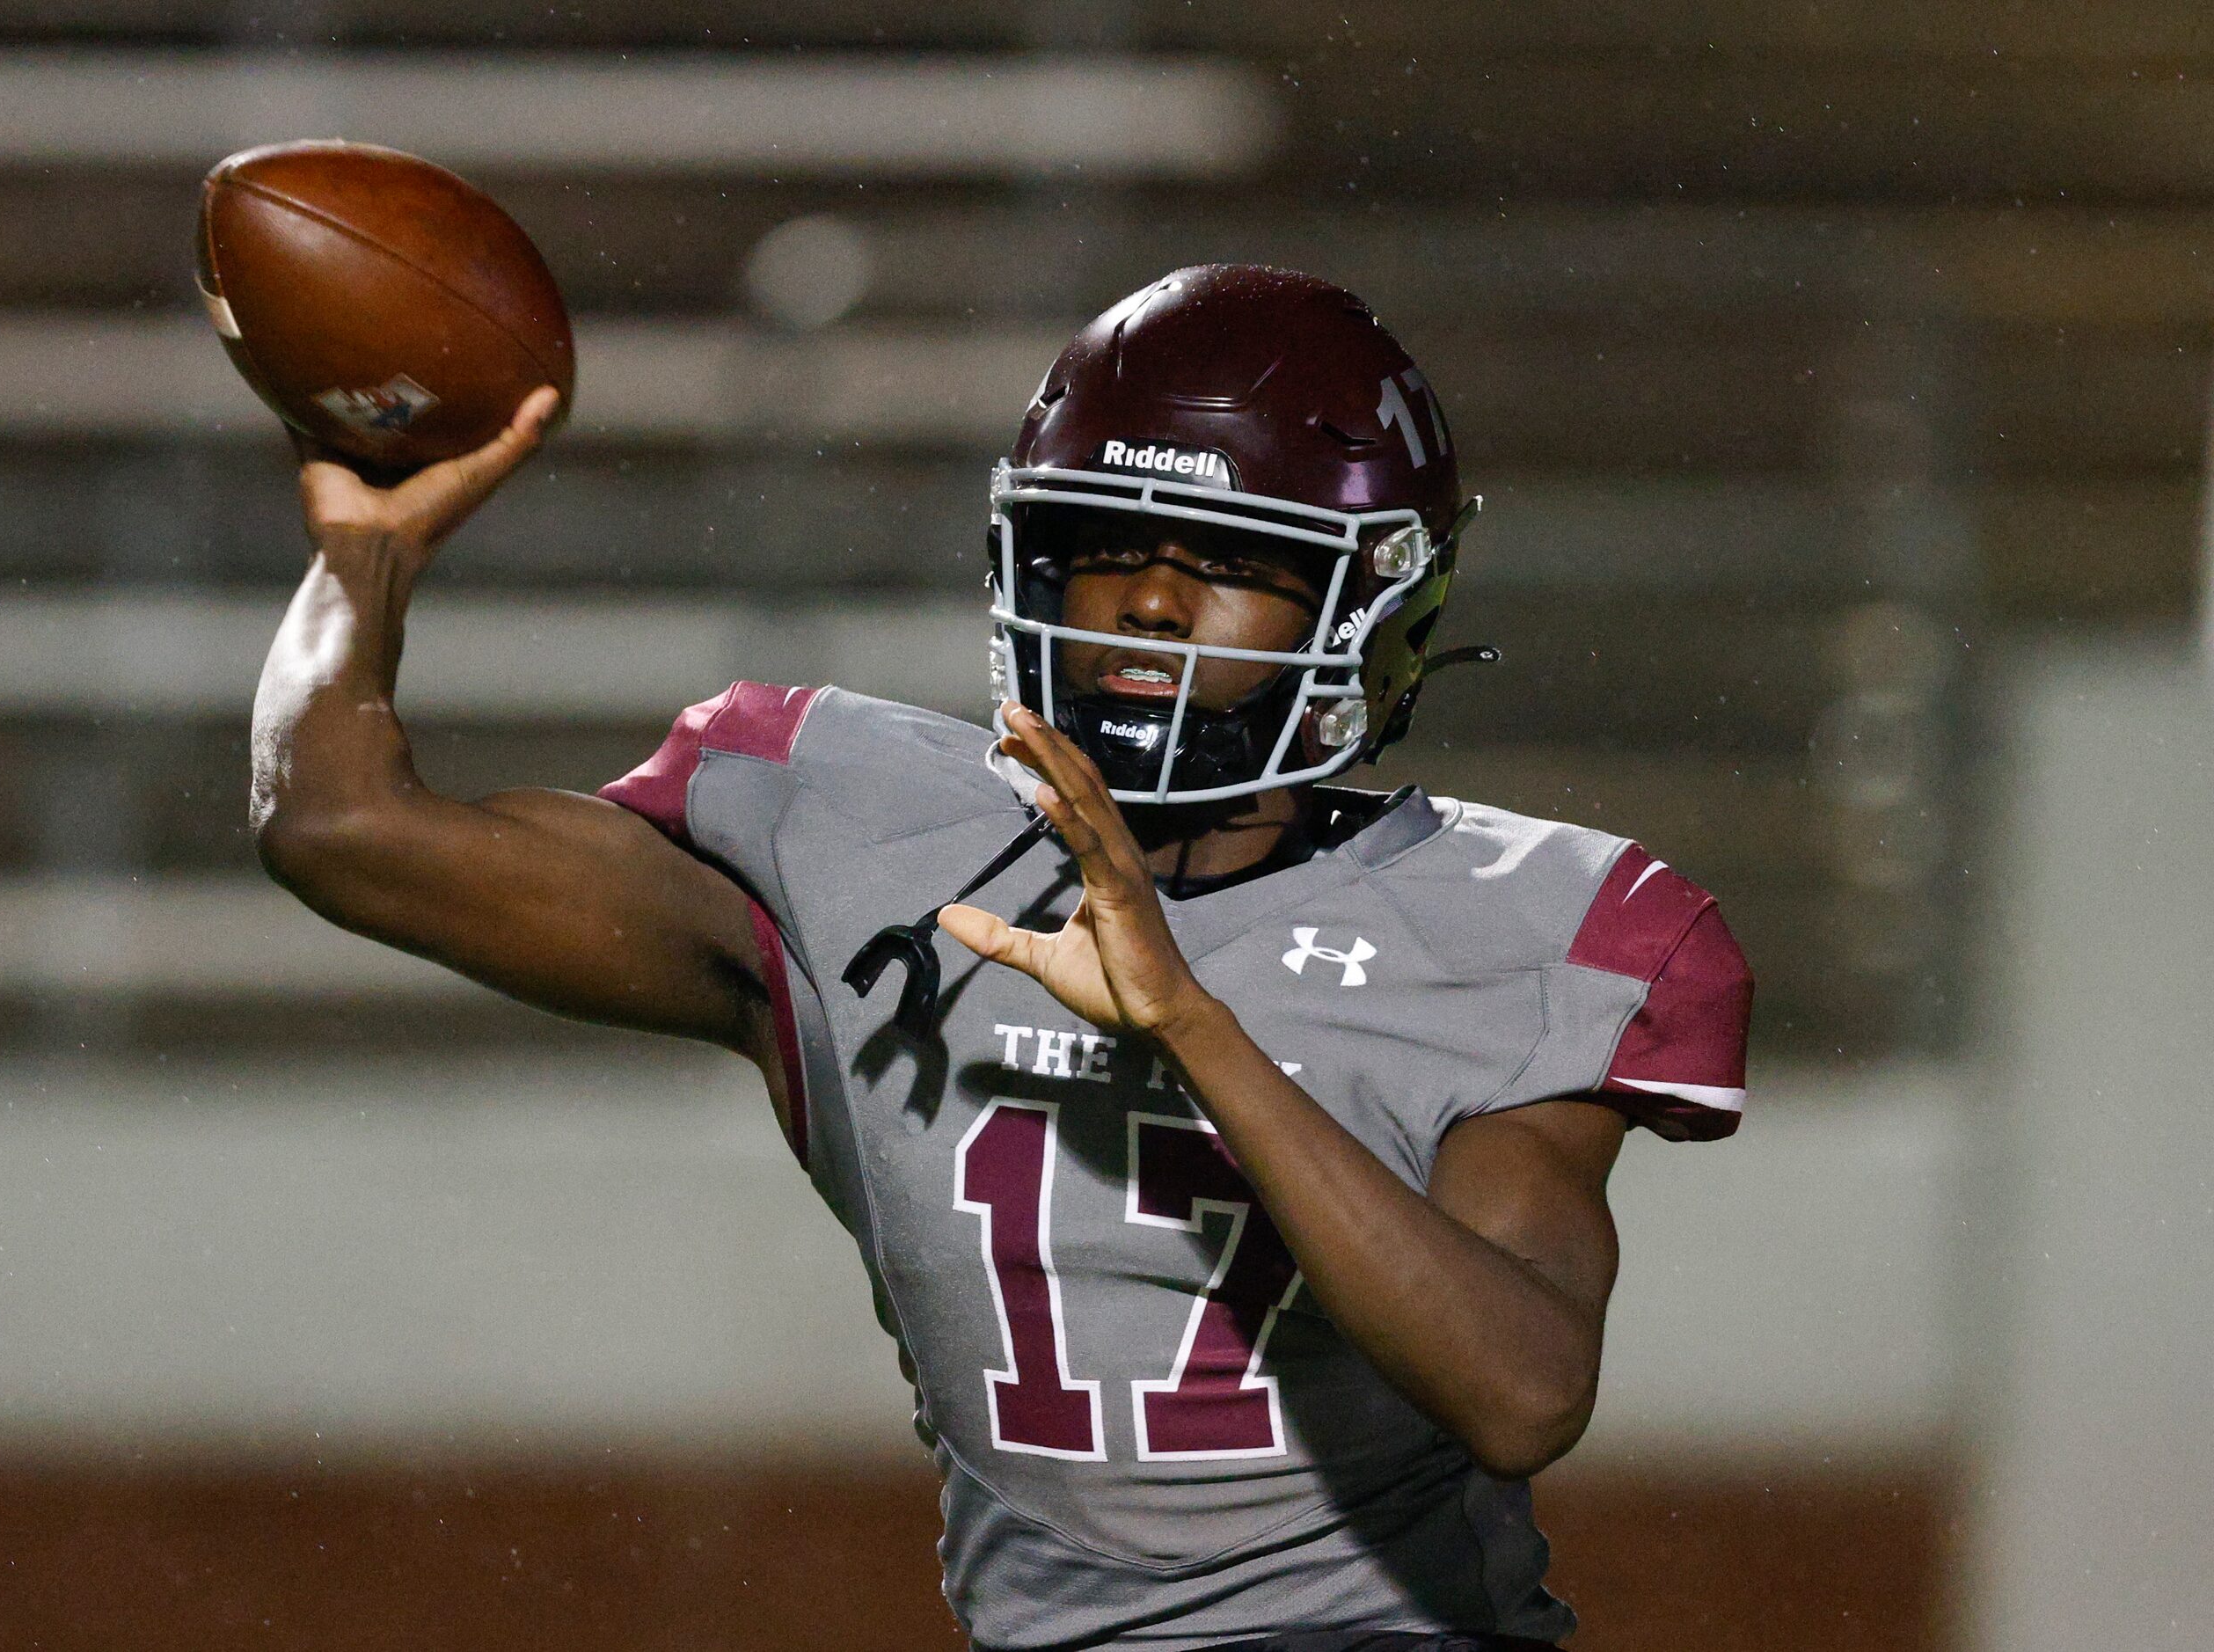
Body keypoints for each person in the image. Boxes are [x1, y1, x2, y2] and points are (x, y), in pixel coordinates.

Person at [251, 265, 1752, 1652]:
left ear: (1374, 606)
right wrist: (362, 569)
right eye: (1103, 550)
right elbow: (340, 830)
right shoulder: (850, 822)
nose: (1149, 603)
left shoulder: (1524, 921)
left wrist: (1189, 1018)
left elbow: (1523, 1390)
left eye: (1229, 560)